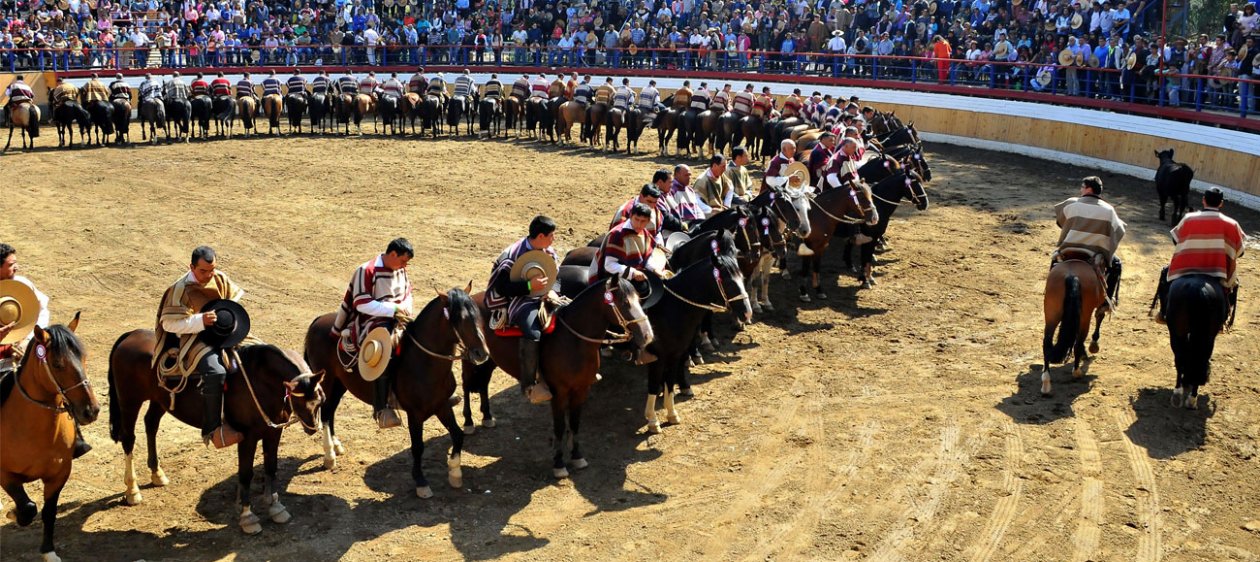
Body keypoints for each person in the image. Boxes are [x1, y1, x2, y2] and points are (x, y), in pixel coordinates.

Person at [0, 244, 91, 458]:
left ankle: (75, 436)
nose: (17, 267)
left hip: (25, 351)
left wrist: (28, 339)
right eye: (11, 264)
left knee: (59, 376)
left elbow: (41, 310)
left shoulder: (22, 284)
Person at [153, 246, 246, 448]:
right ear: (192, 267)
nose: (209, 275)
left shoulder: (218, 278)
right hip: (195, 338)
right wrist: (201, 320)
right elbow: (169, 324)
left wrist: (225, 316)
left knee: (259, 353)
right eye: (203, 271)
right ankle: (212, 429)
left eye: (212, 269)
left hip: (224, 333)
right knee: (215, 371)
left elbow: (235, 297)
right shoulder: (179, 289)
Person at [330, 239, 415, 429]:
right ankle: (381, 408)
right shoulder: (366, 270)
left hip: (399, 316)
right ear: (393, 254)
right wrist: (393, 309)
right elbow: (362, 303)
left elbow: (408, 293)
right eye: (403, 260)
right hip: (370, 319)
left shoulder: (400, 270)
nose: (404, 265)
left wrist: (405, 309)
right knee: (384, 347)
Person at [485, 216, 559, 403]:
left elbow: (556, 276)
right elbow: (502, 288)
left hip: (545, 296)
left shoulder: (548, 251)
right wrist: (529, 287)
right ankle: (529, 384)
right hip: (517, 300)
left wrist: (552, 291)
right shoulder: (512, 254)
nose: (554, 239)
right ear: (541, 236)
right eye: (551, 235)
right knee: (532, 332)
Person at [1154, 187, 1247, 322]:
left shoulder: (1188, 218)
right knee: (1233, 284)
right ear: (1221, 203)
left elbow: (1175, 239)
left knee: (1165, 274)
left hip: (1186, 269)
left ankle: (1163, 313)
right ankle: (1224, 318)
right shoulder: (1232, 224)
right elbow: (1240, 251)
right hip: (1217, 272)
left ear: (1204, 200)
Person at [1053, 176, 1126, 308]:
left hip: (1069, 250)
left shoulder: (1072, 204)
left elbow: (1060, 222)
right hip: (1094, 253)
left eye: (1082, 187)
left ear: (1089, 189)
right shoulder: (1109, 210)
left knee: (1054, 260)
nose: (1080, 190)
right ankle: (1106, 302)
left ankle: (1051, 290)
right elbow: (1119, 231)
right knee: (1116, 264)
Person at [595, 203, 667, 282]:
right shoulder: (618, 234)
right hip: (617, 278)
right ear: (631, 216)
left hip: (639, 274)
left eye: (643, 221)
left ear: (648, 221)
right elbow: (609, 265)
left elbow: (646, 257)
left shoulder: (645, 233)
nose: (639, 224)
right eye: (636, 219)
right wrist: (632, 272)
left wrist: (654, 269)